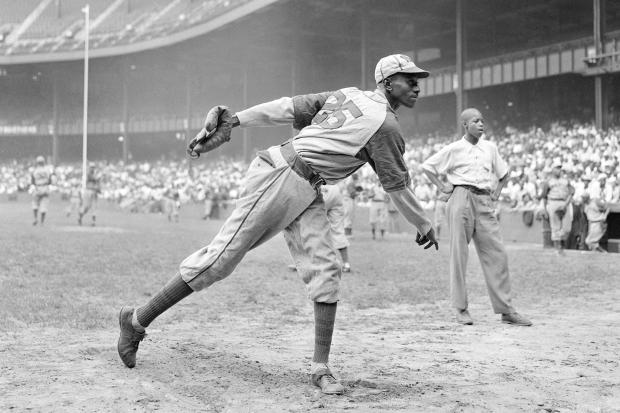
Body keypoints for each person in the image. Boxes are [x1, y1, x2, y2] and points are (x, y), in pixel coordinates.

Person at [117, 54, 438, 395]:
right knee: (219, 260)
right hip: (282, 175)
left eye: (417, 78)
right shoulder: (384, 125)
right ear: (387, 83)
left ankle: (320, 367)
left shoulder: (348, 95)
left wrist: (236, 120)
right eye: (408, 77)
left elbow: (287, 107)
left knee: (327, 269)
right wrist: (423, 223)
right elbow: (397, 187)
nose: (417, 83)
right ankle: (135, 320)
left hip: (308, 186)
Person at [422, 108, 532, 327]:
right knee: (459, 255)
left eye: (482, 120)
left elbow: (504, 173)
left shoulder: (490, 148)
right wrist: (442, 186)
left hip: (483, 200)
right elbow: (427, 167)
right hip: (461, 196)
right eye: (476, 121)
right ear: (465, 125)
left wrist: (498, 191)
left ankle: (506, 310)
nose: (481, 124)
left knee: (497, 253)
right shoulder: (454, 148)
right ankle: (461, 308)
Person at [540, 161, 574, 254]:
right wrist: (544, 208)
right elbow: (544, 196)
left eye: (560, 168)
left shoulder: (565, 180)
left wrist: (566, 204)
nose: (559, 170)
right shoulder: (548, 181)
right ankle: (558, 248)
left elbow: (572, 192)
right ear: (553, 169)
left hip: (564, 202)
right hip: (553, 202)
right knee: (555, 227)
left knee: (567, 228)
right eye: (557, 168)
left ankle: (561, 246)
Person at [30, 156, 54, 226]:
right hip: (45, 188)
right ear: (43, 162)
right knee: (44, 206)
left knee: (35, 204)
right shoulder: (47, 170)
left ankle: (35, 218)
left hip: (37, 188)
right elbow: (50, 181)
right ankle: (42, 222)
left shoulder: (34, 170)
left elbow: (32, 181)